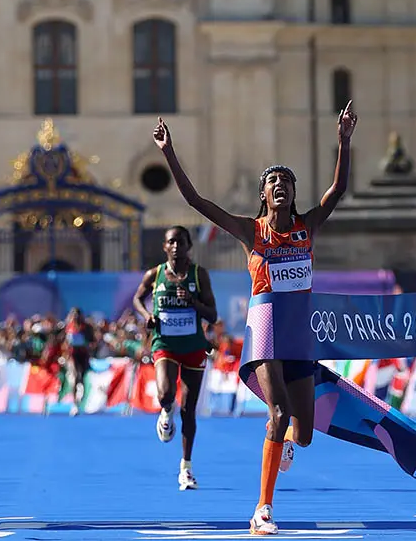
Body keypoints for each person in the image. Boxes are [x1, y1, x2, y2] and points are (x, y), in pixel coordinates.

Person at [153, 101, 357, 534]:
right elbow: (195, 200)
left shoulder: (307, 225)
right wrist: (169, 152)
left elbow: (337, 191)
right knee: (277, 413)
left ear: (293, 193)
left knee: (301, 435)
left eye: (286, 181)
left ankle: (285, 442)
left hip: (298, 332)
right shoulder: (251, 230)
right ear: (263, 194)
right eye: (273, 181)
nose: (280, 185)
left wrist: (343, 141)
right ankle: (262, 510)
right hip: (265, 329)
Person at [133, 226, 218, 491]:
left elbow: (212, 315)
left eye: (181, 242)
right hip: (165, 344)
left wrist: (193, 302)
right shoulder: (155, 274)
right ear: (164, 247)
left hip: (193, 345)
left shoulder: (198, 274)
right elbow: (137, 299)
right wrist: (146, 316)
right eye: (171, 242)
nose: (176, 246)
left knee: (188, 410)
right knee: (166, 394)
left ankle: (186, 468)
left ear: (189, 245)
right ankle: (165, 410)